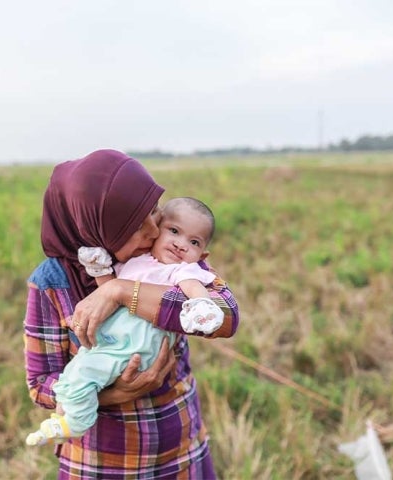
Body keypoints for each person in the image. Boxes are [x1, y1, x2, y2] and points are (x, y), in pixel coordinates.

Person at [24, 149, 240, 479]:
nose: (154, 232)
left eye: (154, 213)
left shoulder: (169, 259)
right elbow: (40, 385)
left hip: (179, 448)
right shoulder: (51, 284)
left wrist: (121, 291)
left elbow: (225, 318)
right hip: (100, 463)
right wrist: (115, 393)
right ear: (97, 230)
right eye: (135, 228)